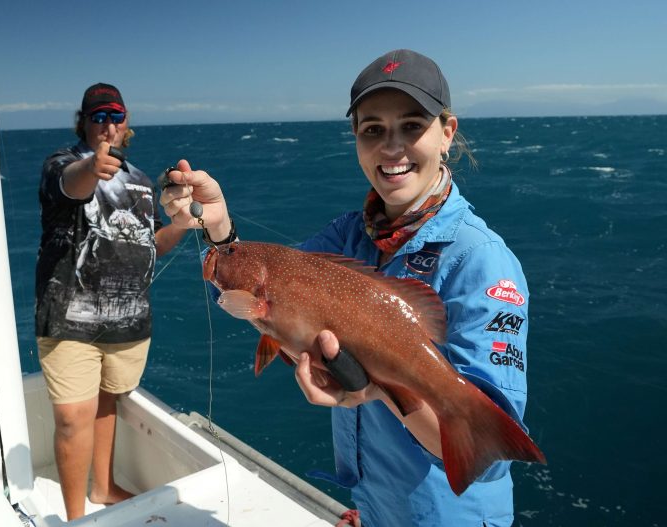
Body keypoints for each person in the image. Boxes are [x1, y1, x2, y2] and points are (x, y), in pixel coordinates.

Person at [160, 49, 532, 526]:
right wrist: (219, 230)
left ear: (447, 133)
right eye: (372, 129)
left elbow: (481, 457)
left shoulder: (483, 261)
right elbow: (267, 293)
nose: (391, 147)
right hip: (376, 508)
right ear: (356, 139)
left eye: (412, 125)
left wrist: (376, 391)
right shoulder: (347, 235)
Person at [34, 83, 187, 520]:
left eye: (115, 116)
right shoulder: (62, 164)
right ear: (82, 121)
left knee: (107, 402)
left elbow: (150, 242)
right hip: (69, 317)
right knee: (71, 418)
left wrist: (181, 223)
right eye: (98, 116)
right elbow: (72, 185)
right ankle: (75, 516)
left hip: (128, 320)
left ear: (126, 123)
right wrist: (92, 166)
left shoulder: (139, 181)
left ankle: (101, 488)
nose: (107, 125)